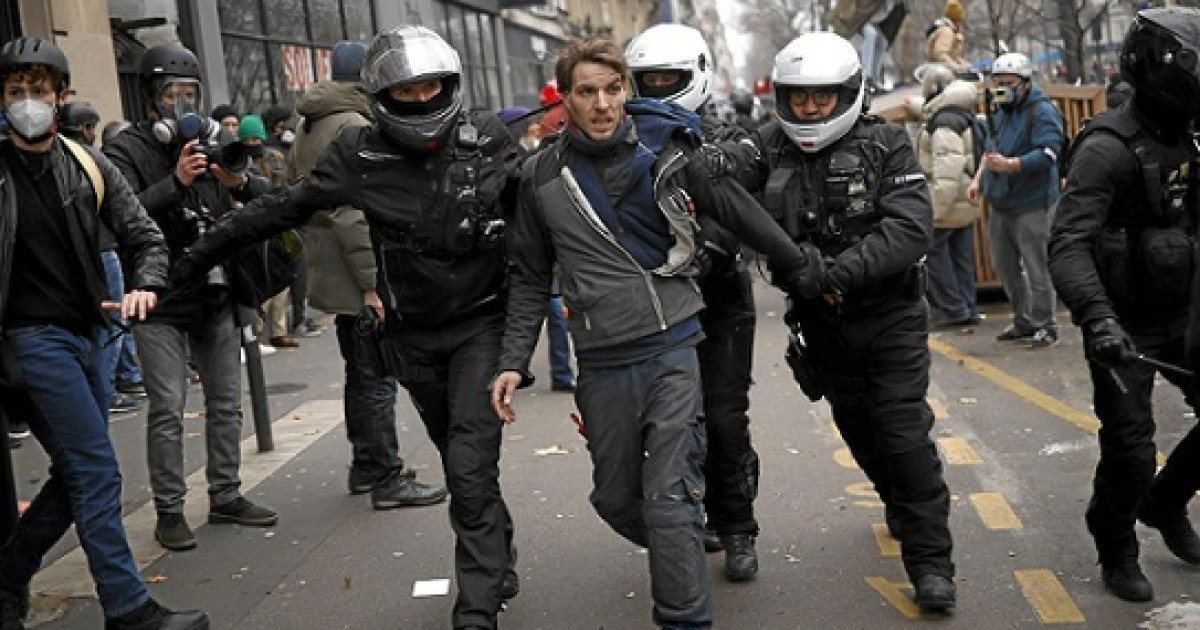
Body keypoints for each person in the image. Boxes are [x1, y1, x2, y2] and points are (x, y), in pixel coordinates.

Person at [168, 26, 521, 630]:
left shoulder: (486, 140)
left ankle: (478, 603)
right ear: (382, 96)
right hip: (410, 334)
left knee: (469, 464)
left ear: (451, 84)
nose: (419, 100)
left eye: (430, 86)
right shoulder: (357, 152)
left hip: (481, 326)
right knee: (457, 454)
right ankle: (498, 553)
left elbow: (542, 209)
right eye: (405, 91)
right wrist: (192, 262)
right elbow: (278, 209)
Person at [491, 37, 817, 630]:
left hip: (673, 346)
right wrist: (514, 360)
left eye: (612, 89)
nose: (602, 104)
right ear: (564, 99)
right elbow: (530, 278)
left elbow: (740, 211)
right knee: (617, 500)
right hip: (603, 361)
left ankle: (685, 614)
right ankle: (685, 539)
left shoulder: (666, 150)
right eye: (586, 92)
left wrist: (801, 269)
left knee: (669, 496)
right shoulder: (540, 177)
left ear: (625, 91)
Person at [740, 31, 957, 611]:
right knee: (861, 432)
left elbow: (912, 227)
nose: (810, 109)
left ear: (849, 93)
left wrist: (836, 274)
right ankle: (897, 499)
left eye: (824, 97)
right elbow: (724, 191)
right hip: (821, 328)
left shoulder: (887, 144)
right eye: (799, 98)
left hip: (890, 315)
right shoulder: (768, 147)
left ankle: (932, 562)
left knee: (904, 434)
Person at [0, 35, 209, 630]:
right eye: (16, 91)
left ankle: (9, 576)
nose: (27, 101)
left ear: (61, 97)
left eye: (38, 90)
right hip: (31, 340)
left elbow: (144, 235)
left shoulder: (86, 164)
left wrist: (146, 282)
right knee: (96, 470)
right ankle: (128, 609)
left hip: (93, 333)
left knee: (74, 475)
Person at [102, 42, 279, 552]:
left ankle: (226, 493)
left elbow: (262, 202)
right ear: (150, 100)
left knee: (227, 402)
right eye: (171, 96)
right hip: (158, 297)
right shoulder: (127, 150)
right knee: (168, 407)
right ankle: (170, 509)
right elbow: (121, 216)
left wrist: (237, 180)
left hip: (215, 290)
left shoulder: (211, 143)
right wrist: (174, 181)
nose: (182, 107)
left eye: (190, 95)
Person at [1049, 6, 1200, 603]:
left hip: (1186, 311)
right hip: (1124, 325)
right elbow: (1068, 242)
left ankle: (1163, 506)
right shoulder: (1107, 147)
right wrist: (1099, 319)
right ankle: (1116, 545)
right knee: (1130, 451)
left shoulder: (1191, 137)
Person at [625, 22, 763, 582]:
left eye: (669, 79)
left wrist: (711, 246)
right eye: (649, 80)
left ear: (697, 76)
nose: (658, 89)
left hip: (721, 299)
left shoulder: (731, 139)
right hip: (654, 305)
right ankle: (694, 518)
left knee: (726, 420)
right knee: (673, 425)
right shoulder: (621, 141)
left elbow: (747, 208)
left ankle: (739, 530)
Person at [289, 38, 447, 508]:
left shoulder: (313, 119)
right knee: (375, 376)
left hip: (330, 267)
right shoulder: (352, 124)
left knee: (361, 374)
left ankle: (366, 466)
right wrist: (373, 283)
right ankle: (385, 477)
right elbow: (352, 213)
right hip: (356, 274)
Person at [967, 51, 1065, 349]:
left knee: (1037, 267)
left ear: (1024, 82)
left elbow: (1049, 153)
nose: (1002, 89)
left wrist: (1012, 165)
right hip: (1001, 202)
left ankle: (1045, 324)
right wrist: (978, 179)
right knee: (1005, 267)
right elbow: (989, 148)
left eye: (1008, 83)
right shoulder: (1000, 110)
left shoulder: (1042, 111)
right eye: (998, 83)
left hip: (1032, 203)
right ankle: (1023, 320)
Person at [916, 64, 983, 328]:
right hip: (964, 198)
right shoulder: (959, 114)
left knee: (933, 251)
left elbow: (947, 169)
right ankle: (967, 306)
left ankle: (952, 308)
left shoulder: (943, 122)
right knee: (960, 255)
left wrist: (936, 210)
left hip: (948, 198)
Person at [238, 113, 296, 349]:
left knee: (280, 278)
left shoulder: (275, 158)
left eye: (255, 138)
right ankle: (257, 331)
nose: (252, 143)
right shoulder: (238, 159)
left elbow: (283, 187)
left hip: (275, 223)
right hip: (251, 226)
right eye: (248, 138)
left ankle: (278, 329)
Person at [926, 0, 971, 74]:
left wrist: (964, 64)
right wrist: (957, 68)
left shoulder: (950, 30)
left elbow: (952, 56)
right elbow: (941, 54)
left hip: (942, 71)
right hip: (941, 74)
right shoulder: (947, 31)